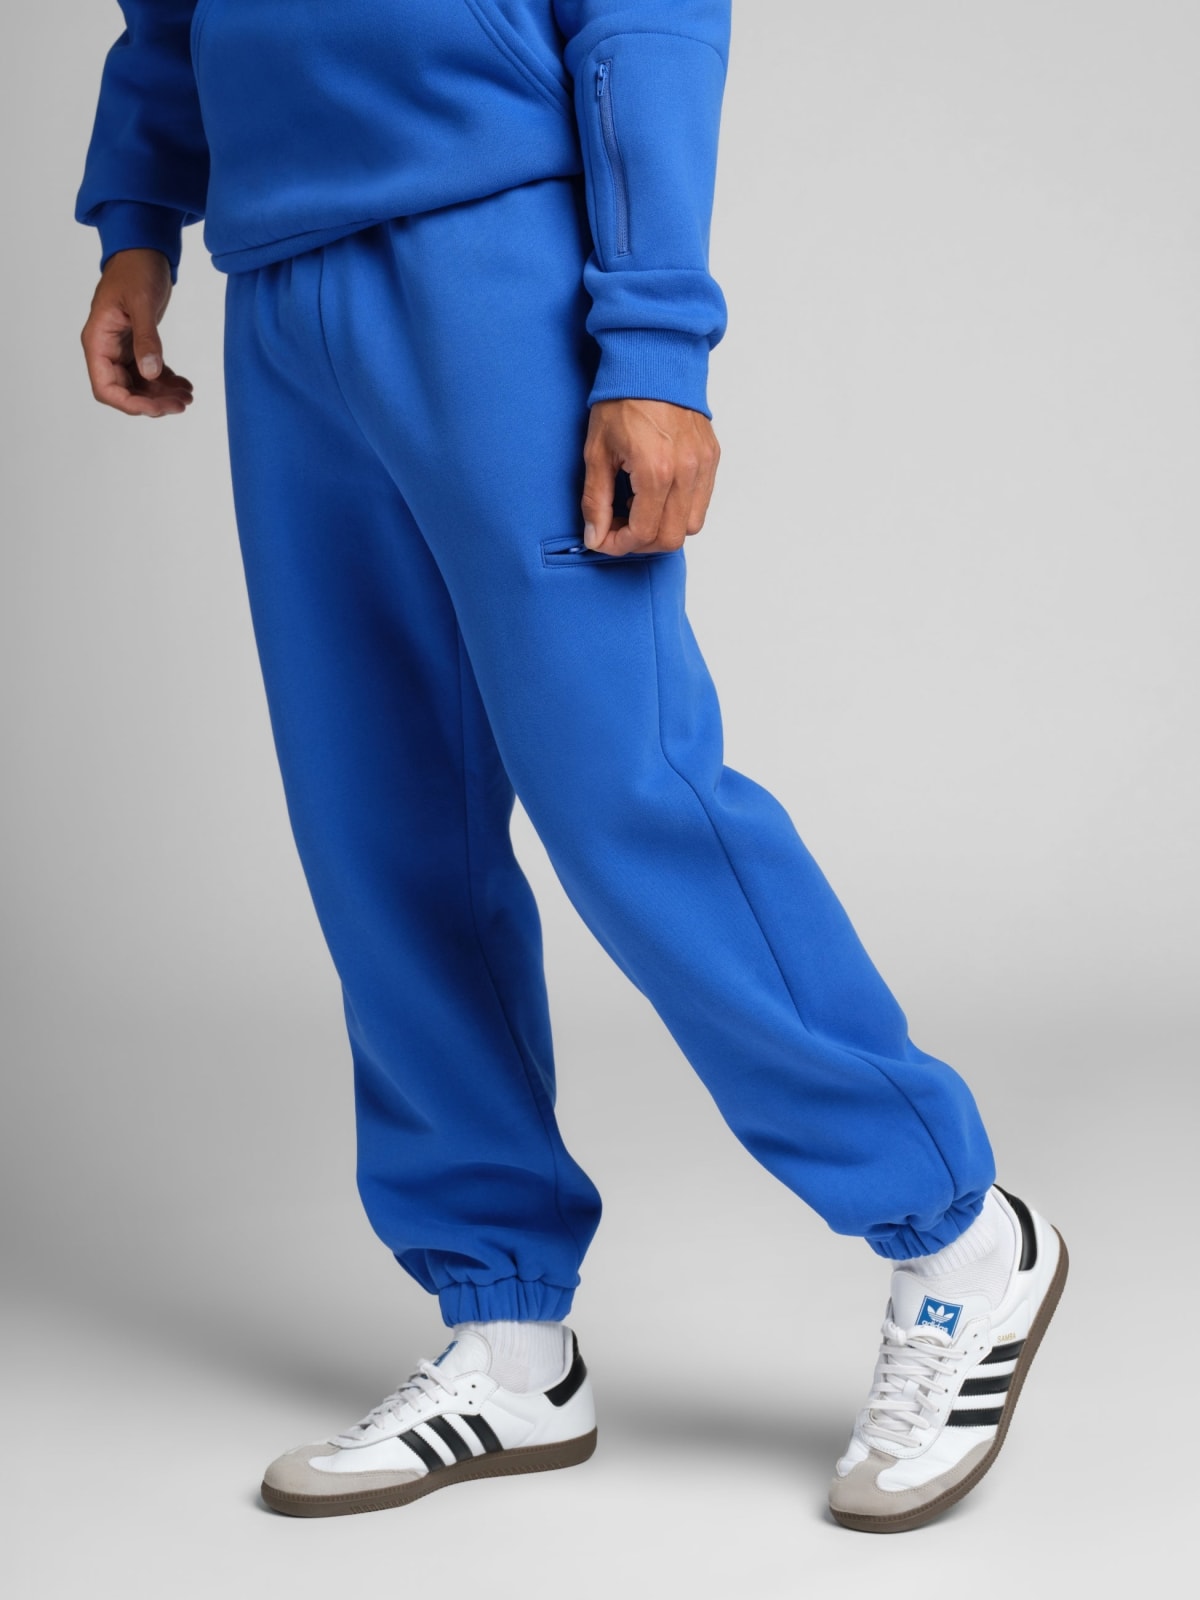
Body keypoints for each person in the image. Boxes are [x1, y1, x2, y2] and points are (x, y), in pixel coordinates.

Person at [75, 1, 1067, 1534]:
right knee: (380, 826)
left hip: (495, 251)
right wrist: (139, 220)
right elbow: (167, 15)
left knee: (628, 797)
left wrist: (655, 340)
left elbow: (648, 16)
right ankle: (508, 1328)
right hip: (278, 282)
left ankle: (957, 1233)